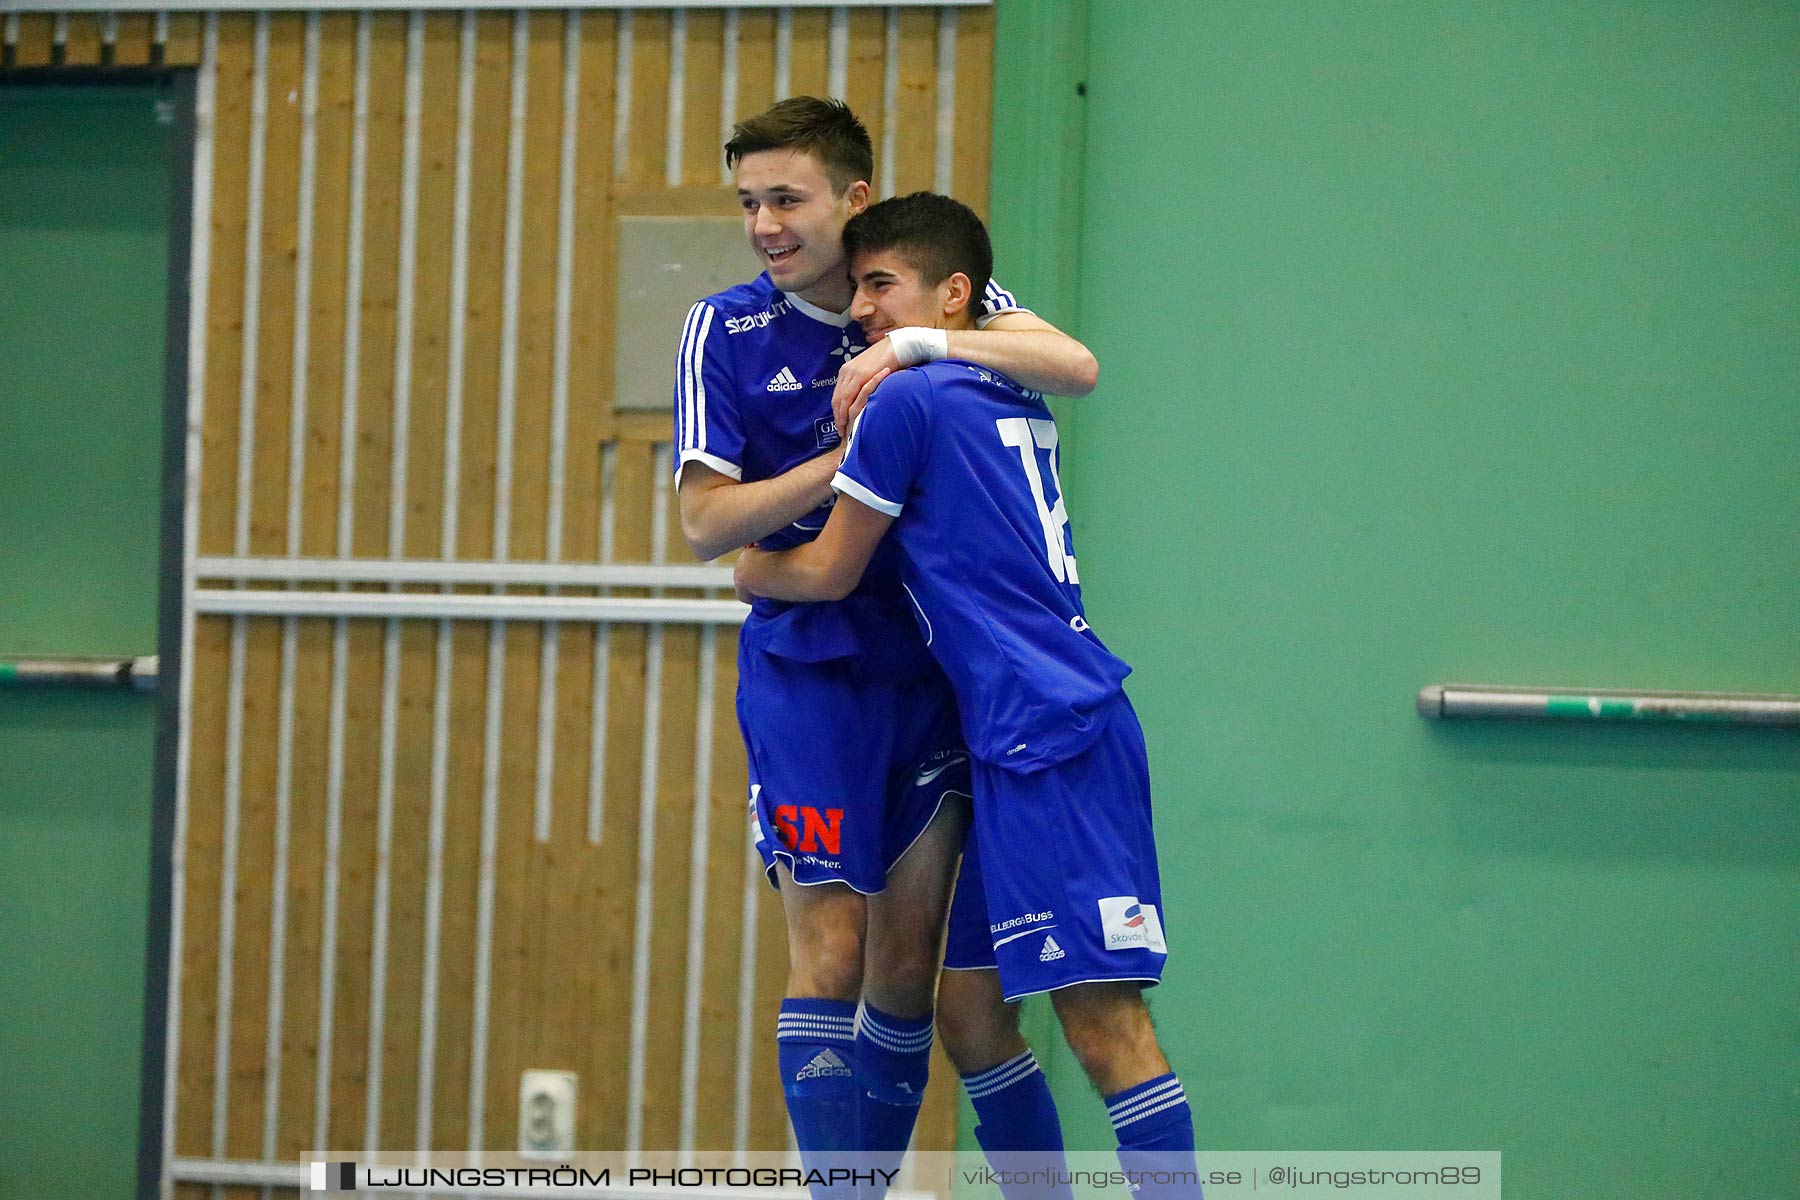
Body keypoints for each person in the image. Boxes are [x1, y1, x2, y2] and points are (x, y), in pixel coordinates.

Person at [732, 192, 1200, 1194]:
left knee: (1105, 1026)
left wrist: (748, 569)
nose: (860, 309)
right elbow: (1069, 366)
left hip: (1051, 734)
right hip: (1019, 735)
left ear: (953, 296)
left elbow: (826, 574)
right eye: (854, 286)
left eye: (879, 285)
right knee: (972, 1016)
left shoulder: (908, 397)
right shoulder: (997, 381)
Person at [673, 99, 1092, 1181]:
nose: (764, 224)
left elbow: (1072, 361)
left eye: (787, 199)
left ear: (853, 200)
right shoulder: (727, 329)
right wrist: (850, 461)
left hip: (931, 668)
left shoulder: (906, 291)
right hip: (809, 671)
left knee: (912, 974)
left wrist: (916, 342)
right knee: (834, 952)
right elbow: (705, 525)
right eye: (749, 202)